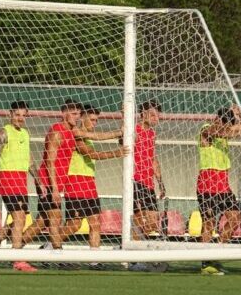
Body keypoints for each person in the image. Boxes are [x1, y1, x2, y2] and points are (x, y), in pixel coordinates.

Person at [22, 99, 121, 249]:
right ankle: (56, 253)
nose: (77, 117)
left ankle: (18, 247)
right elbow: (50, 161)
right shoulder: (59, 132)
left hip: (65, 182)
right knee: (59, 219)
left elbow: (98, 136)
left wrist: (120, 132)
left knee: (45, 221)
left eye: (78, 114)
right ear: (64, 114)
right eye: (74, 114)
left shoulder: (74, 131)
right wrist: (54, 189)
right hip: (52, 182)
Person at [60, 105, 128, 268]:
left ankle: (94, 260)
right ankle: (51, 246)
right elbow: (91, 154)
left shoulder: (88, 136)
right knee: (74, 224)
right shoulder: (76, 135)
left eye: (96, 120)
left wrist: (123, 121)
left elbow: (97, 138)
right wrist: (115, 153)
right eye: (92, 119)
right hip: (75, 182)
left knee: (95, 222)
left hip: (89, 182)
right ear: (82, 118)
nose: (95, 123)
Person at [196, 106, 241, 275]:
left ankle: (215, 255)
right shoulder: (207, 129)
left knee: (235, 219)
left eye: (229, 121)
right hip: (207, 184)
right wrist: (237, 126)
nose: (227, 124)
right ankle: (205, 264)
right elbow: (220, 132)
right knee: (209, 223)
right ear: (217, 119)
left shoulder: (228, 130)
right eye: (225, 120)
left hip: (223, 185)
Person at [0, 101, 37, 272]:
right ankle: (17, 260)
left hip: (21, 180)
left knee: (20, 219)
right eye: (17, 115)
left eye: (23, 115)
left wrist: (38, 180)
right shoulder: (3, 133)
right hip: (7, 178)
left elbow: (29, 160)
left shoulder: (25, 134)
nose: (20, 118)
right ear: (10, 114)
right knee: (18, 218)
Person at [132, 100, 166, 240]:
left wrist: (161, 183)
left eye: (157, 116)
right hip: (135, 181)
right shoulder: (134, 130)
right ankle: (132, 257)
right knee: (138, 220)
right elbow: (122, 142)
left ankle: (135, 250)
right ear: (143, 114)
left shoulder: (152, 134)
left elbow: (153, 159)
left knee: (152, 223)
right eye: (152, 115)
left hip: (148, 183)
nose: (156, 119)